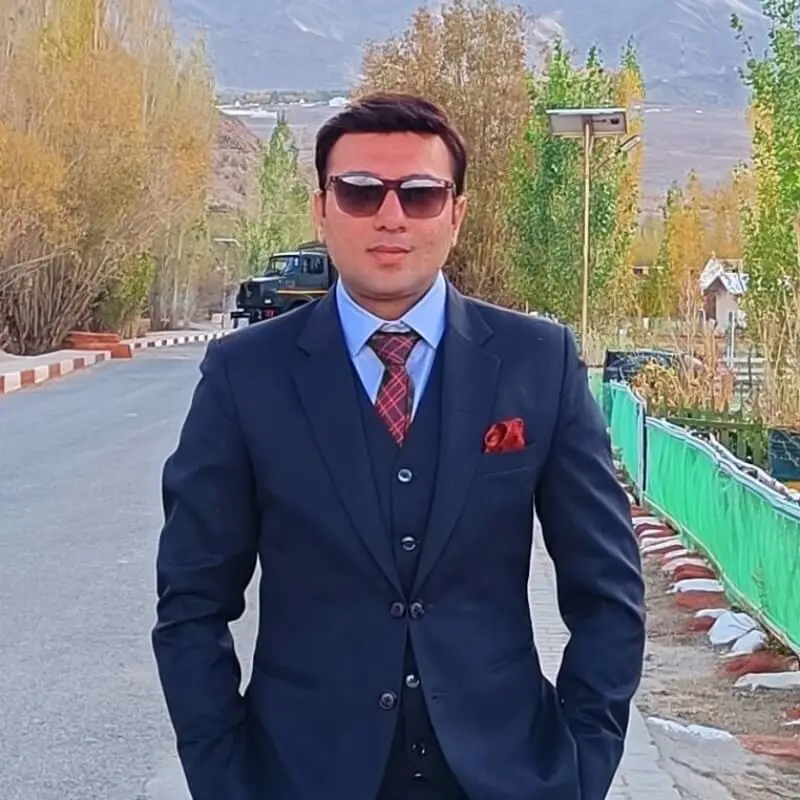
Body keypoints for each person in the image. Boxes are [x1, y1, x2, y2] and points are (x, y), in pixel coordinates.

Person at [151, 91, 646, 800]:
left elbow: (608, 592)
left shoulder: (537, 362)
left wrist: (580, 767)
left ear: (456, 214)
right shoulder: (244, 376)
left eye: (420, 194)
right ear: (322, 210)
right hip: (301, 778)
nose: (390, 216)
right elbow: (191, 604)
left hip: (506, 776)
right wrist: (226, 781)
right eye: (359, 192)